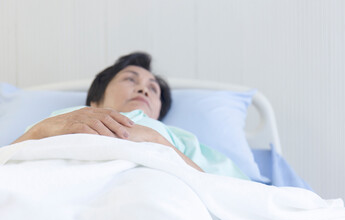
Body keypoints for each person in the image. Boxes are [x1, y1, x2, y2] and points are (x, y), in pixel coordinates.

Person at [12, 52, 248, 179]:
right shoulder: (61, 118)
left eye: (153, 88)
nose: (144, 88)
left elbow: (228, 193)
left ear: (158, 112)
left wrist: (158, 141)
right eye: (129, 79)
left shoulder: (179, 140)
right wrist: (40, 130)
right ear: (95, 100)